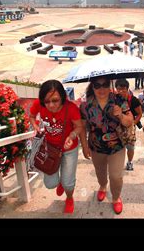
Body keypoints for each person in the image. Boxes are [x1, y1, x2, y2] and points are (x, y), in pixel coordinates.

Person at [29, 80, 89, 214]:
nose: (51, 105)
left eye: (55, 100)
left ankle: (69, 198)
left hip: (69, 149)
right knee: (50, 184)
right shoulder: (39, 104)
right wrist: (35, 126)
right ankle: (61, 181)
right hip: (49, 148)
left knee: (68, 183)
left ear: (62, 97)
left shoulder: (71, 108)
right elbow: (32, 116)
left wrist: (72, 136)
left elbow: (79, 126)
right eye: (47, 101)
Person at [80, 77, 134, 214]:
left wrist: (121, 115)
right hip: (96, 146)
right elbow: (81, 127)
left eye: (105, 85)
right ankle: (103, 186)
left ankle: (116, 198)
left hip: (116, 146)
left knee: (116, 176)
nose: (101, 88)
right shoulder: (85, 105)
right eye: (97, 85)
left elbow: (129, 121)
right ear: (92, 87)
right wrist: (84, 146)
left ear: (110, 84)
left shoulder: (119, 100)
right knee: (100, 173)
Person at [115, 79, 142, 171]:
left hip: (129, 127)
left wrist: (133, 124)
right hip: (117, 126)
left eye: (123, 89)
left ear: (127, 89)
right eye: (118, 89)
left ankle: (130, 162)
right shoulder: (114, 99)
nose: (120, 91)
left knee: (130, 146)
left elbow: (139, 113)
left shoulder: (133, 100)